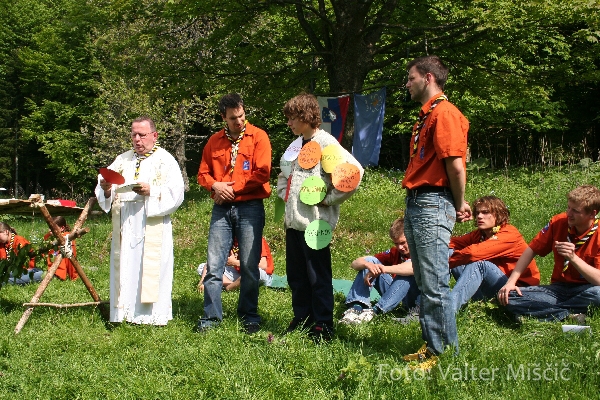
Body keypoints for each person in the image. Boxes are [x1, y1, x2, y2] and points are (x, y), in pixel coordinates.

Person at [401, 55, 471, 370]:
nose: (407, 84)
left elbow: (455, 165)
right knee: (425, 281)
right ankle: (432, 346)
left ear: (428, 78)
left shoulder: (445, 113)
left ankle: (443, 355)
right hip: (418, 201)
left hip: (433, 202)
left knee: (435, 283)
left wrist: (459, 202)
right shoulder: (428, 115)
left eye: (411, 78)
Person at [277, 93, 363, 341]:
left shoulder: (327, 143)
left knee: (318, 276)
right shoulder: (296, 145)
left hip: (315, 225)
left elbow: (354, 173)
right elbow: (284, 174)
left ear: (306, 116)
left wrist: (329, 199)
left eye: (292, 118)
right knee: (296, 275)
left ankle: (323, 323)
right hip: (294, 223)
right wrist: (285, 195)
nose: (289, 123)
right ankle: (302, 318)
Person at [95, 116, 184, 326]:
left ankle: (152, 317)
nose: (137, 139)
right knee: (125, 265)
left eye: (142, 135)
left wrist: (151, 190)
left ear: (154, 135)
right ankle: (123, 314)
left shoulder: (166, 160)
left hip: (150, 218)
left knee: (151, 268)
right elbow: (105, 188)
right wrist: (106, 188)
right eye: (134, 134)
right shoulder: (122, 159)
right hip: (125, 220)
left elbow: (176, 193)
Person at [196, 93, 272, 334]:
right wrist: (215, 186)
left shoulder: (258, 137)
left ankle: (249, 316)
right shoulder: (214, 141)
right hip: (221, 208)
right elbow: (202, 174)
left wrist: (230, 189)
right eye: (232, 118)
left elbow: (262, 173)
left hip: (250, 206)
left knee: (249, 265)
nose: (238, 121)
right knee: (214, 264)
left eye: (241, 116)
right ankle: (211, 318)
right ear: (223, 117)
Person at [498, 185, 600, 322]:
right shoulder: (559, 222)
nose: (569, 213)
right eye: (568, 207)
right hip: (558, 289)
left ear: (592, 214)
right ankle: (568, 315)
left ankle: (539, 311)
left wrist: (573, 258)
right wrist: (511, 282)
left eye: (575, 211)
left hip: (587, 289)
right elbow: (531, 250)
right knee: (509, 296)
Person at [449, 196, 540, 313]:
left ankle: (446, 311)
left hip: (517, 292)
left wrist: (446, 262)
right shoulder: (481, 234)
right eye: (477, 213)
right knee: (447, 252)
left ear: (498, 214)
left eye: (485, 212)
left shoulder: (509, 234)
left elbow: (472, 254)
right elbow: (450, 243)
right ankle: (432, 300)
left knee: (480, 265)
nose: (479, 216)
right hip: (495, 289)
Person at [340, 217, 420, 324]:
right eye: (396, 243)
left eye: (403, 242)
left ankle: (374, 312)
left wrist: (383, 269)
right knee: (370, 262)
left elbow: (413, 268)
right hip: (395, 293)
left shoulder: (421, 251)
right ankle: (356, 308)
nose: (400, 247)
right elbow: (354, 264)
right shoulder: (395, 252)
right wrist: (368, 265)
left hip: (414, 299)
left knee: (405, 273)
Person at [197, 236, 274, 291]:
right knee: (203, 266)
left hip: (261, 274)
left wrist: (235, 262)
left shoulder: (256, 238)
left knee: (255, 273)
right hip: (240, 274)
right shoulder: (232, 240)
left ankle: (228, 288)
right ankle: (234, 284)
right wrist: (202, 283)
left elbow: (263, 265)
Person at [43, 216, 79, 281]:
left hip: (56, 273)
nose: (49, 230)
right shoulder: (49, 237)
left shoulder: (66, 240)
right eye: (49, 227)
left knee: (24, 278)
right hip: (46, 269)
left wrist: (74, 277)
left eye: (52, 228)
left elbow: (71, 258)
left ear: (62, 228)